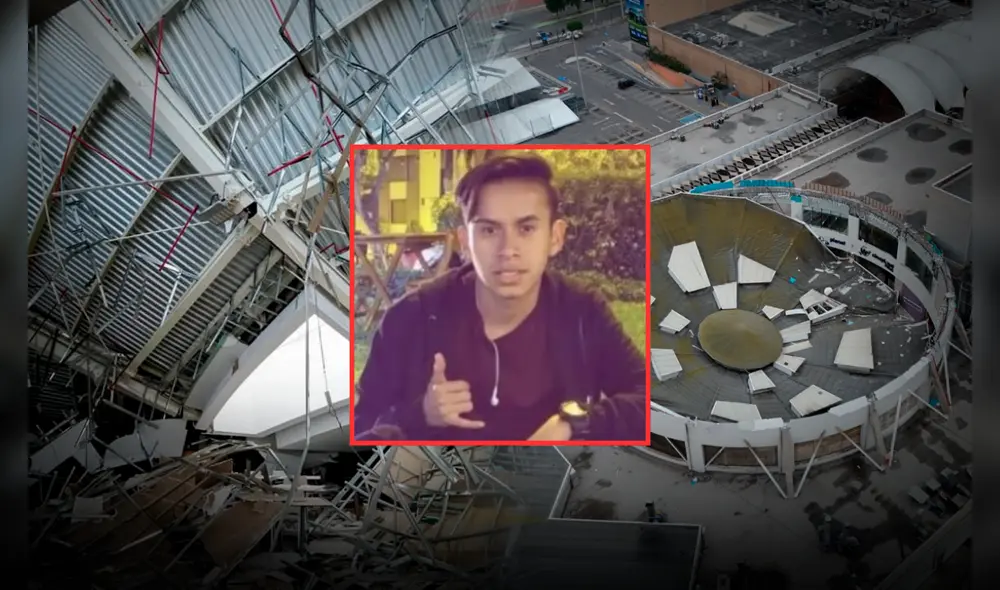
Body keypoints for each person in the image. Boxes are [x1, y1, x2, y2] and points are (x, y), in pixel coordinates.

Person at [353, 154, 647, 442]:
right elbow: (360, 431)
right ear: (465, 242)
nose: (508, 249)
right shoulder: (410, 320)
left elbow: (648, 399)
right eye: (489, 230)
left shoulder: (582, 312)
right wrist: (421, 415)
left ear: (555, 237)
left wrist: (574, 424)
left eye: (526, 229)